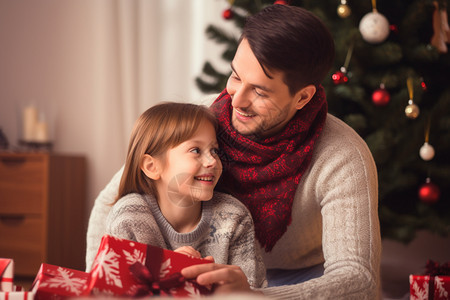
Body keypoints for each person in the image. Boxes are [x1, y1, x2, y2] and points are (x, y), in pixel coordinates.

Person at [86, 4, 381, 299]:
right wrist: (98, 289)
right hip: (217, 272)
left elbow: (358, 278)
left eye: (260, 92)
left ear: (302, 97)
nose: (236, 100)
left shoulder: (343, 155)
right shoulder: (203, 124)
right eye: (236, 76)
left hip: (305, 282)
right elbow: (108, 206)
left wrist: (254, 296)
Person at [101, 102, 266, 289]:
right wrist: (167, 271)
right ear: (151, 167)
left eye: (214, 150)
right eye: (196, 150)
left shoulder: (234, 216)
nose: (212, 161)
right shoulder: (128, 217)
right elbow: (112, 292)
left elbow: (254, 290)